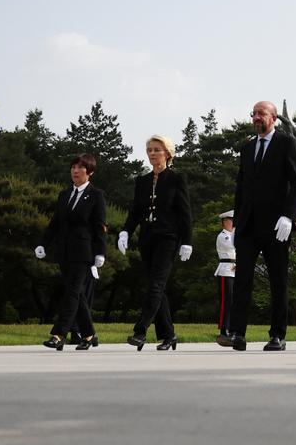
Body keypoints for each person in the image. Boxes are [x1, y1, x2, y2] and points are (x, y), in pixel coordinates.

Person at [229, 101, 296, 351]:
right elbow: (241, 188)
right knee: (242, 280)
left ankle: (277, 335)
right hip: (248, 225)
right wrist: (236, 224)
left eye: (261, 113)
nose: (256, 118)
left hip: (276, 225)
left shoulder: (286, 143)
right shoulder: (247, 148)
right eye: (253, 114)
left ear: (273, 118)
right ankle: (237, 333)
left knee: (277, 280)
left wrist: (288, 216)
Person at [119, 135, 193, 352]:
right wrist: (125, 231)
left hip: (168, 238)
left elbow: (185, 213)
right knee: (155, 286)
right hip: (147, 238)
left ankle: (140, 331)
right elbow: (135, 212)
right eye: (149, 150)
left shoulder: (177, 179)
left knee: (156, 285)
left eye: (157, 150)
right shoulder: (141, 181)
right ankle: (168, 334)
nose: (152, 153)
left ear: (167, 154)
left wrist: (187, 241)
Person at [35, 153, 107, 351]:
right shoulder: (64, 194)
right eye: (73, 167)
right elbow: (55, 223)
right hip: (64, 252)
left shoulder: (96, 195)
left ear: (89, 172)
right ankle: (90, 334)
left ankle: (58, 335)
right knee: (77, 295)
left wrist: (100, 252)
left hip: (84, 253)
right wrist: (44, 243)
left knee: (73, 292)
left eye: (80, 167)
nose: (75, 171)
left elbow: (100, 226)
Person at [215, 210, 236, 345]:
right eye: (232, 220)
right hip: (226, 270)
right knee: (226, 302)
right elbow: (234, 247)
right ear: (225, 221)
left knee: (235, 301)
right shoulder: (223, 236)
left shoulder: (234, 235)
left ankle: (233, 329)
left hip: (235, 270)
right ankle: (223, 329)